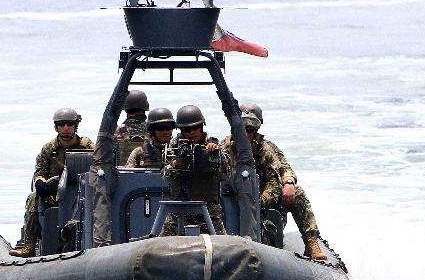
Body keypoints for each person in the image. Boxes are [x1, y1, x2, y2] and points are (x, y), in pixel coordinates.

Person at [223, 102, 328, 260]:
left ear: (256, 130)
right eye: (241, 129)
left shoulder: (266, 149)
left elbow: (279, 175)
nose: (244, 134)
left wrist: (286, 184)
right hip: (231, 199)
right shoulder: (224, 147)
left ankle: (311, 242)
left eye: (249, 130)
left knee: (297, 193)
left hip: (262, 201)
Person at [10, 108, 94, 257]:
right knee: (32, 198)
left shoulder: (87, 146)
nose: (66, 128)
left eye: (69, 124)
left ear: (76, 126)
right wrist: (41, 182)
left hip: (81, 194)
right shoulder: (49, 148)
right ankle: (29, 244)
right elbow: (40, 171)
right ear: (56, 127)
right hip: (54, 194)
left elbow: (98, 165)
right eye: (62, 125)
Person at [160, 105, 230, 235]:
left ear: (202, 126)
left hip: (208, 211)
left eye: (195, 128)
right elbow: (165, 174)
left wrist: (215, 155)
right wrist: (176, 164)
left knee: (221, 247)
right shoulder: (175, 145)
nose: (192, 132)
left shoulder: (213, 143)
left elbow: (226, 174)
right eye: (187, 129)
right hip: (179, 211)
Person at [114, 89, 149, 166]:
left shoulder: (118, 131)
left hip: (123, 176)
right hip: (151, 175)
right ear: (145, 108)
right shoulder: (153, 130)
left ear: (126, 110)